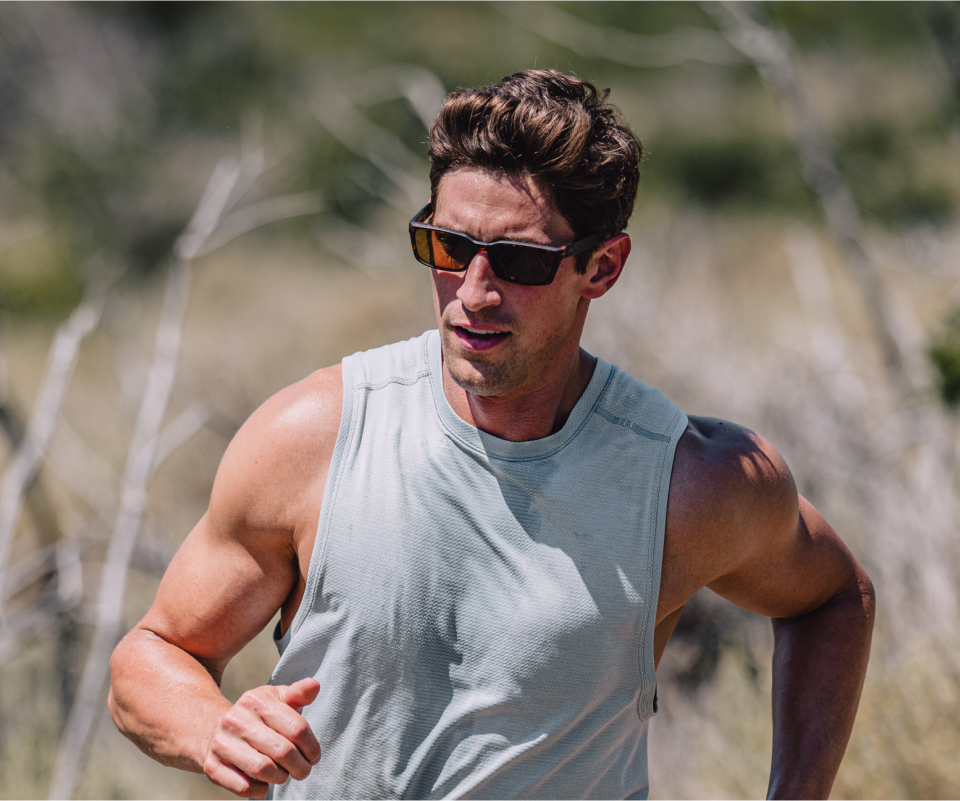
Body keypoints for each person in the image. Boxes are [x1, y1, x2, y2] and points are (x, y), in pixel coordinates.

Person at [108, 70, 875, 800]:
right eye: (447, 247)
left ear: (601, 267)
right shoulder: (314, 435)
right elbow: (153, 655)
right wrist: (214, 726)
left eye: (517, 259)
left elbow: (833, 599)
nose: (472, 293)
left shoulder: (684, 482)